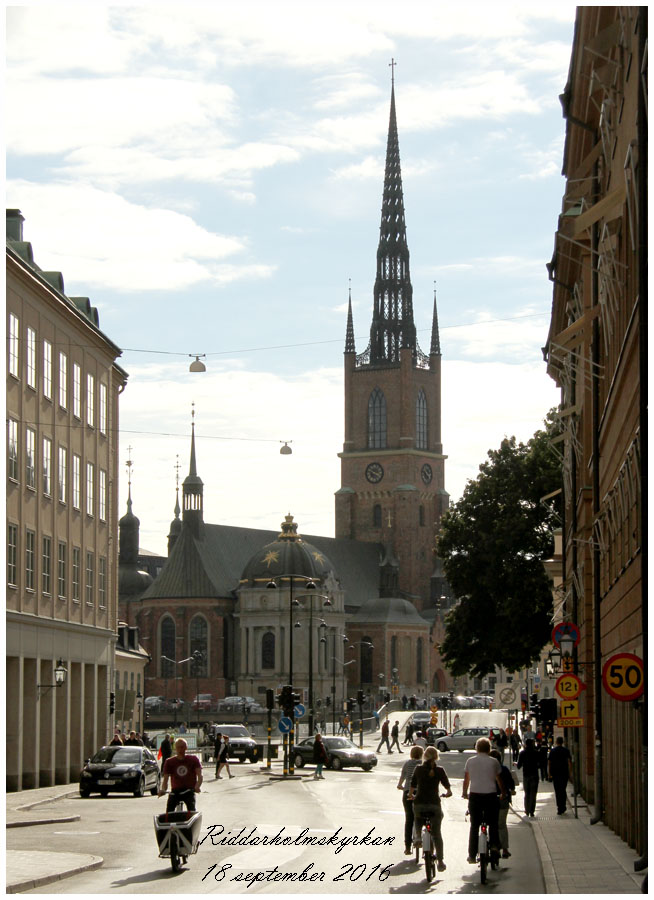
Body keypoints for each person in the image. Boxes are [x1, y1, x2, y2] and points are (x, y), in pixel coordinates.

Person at [409, 746, 452, 872]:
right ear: (437, 757)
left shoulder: (418, 769)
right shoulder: (440, 770)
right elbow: (447, 787)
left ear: (425, 756)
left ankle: (418, 836)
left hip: (420, 802)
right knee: (437, 834)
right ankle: (440, 862)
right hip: (434, 804)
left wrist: (411, 795)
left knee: (417, 816)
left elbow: (413, 784)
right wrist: (448, 793)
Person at [462, 737, 505, 864]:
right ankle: (494, 846)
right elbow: (499, 780)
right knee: (493, 823)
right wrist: (503, 793)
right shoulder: (494, 762)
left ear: (477, 748)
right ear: (489, 748)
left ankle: (471, 855)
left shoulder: (470, 761)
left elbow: (466, 780)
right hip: (491, 796)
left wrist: (464, 793)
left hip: (475, 796)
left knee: (474, 826)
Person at [159, 737, 203, 812]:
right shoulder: (169, 761)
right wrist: (163, 790)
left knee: (191, 809)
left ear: (186, 748)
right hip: (175, 791)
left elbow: (200, 775)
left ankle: (191, 816)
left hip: (189, 790)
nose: (180, 750)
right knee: (169, 810)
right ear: (175, 748)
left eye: (182, 747)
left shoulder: (193, 759)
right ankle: (169, 818)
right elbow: (165, 780)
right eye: (178, 747)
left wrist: (197, 786)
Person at [397, 745, 424, 855]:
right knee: (421, 816)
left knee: (409, 819)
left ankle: (407, 847)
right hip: (420, 792)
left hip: (408, 791)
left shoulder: (407, 763)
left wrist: (400, 785)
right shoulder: (423, 764)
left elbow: (403, 776)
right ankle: (421, 836)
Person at [490, 749, 516, 859]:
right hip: (502, 800)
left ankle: (492, 845)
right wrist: (511, 790)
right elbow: (511, 784)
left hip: (489, 799)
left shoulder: (487, 769)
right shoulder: (504, 769)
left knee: (490, 824)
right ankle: (505, 849)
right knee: (501, 825)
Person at [548, 736, 573, 815]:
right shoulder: (566, 750)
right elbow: (569, 762)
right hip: (564, 773)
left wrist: (549, 773)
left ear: (556, 742)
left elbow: (549, 762)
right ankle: (563, 806)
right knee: (563, 789)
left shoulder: (553, 751)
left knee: (557, 791)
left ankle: (559, 807)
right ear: (563, 742)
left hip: (555, 773)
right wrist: (570, 772)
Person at [517, 738, 540, 817]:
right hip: (534, 775)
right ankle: (532, 811)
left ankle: (527, 810)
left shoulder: (522, 753)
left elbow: (519, 766)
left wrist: (517, 764)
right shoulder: (536, 752)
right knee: (533, 794)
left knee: (527, 793)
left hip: (526, 775)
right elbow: (539, 764)